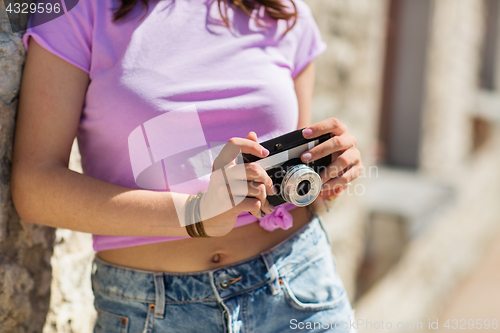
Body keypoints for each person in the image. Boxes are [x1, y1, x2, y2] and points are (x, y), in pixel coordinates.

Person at [12, 0, 363, 331]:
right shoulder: (75, 10)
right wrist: (197, 212)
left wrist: (329, 178)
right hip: (153, 310)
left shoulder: (281, 9)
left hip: (298, 287)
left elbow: (296, 191)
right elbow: (35, 187)